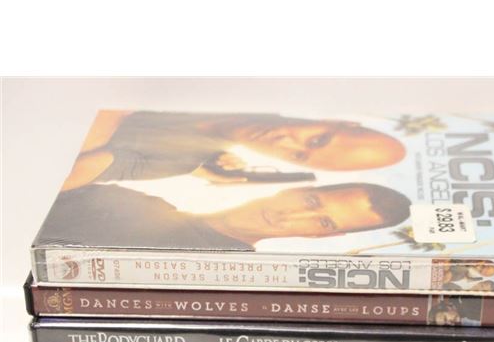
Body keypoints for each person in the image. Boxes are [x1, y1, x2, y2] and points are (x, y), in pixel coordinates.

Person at [62, 111, 407, 190]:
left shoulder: (180, 161)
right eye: (317, 139)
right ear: (337, 120)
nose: (284, 144)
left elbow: (62, 177)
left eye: (297, 156)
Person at [39, 182, 412, 250]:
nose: (292, 215)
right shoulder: (130, 201)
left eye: (323, 221)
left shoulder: (234, 278)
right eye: (311, 201)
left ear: (323, 236)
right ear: (294, 189)